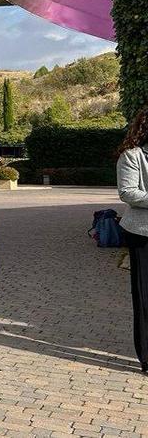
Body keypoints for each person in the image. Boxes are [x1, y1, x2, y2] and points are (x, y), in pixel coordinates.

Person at [116, 107, 148, 375]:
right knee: (144, 295)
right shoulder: (132, 155)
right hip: (143, 233)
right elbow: (128, 192)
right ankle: (146, 356)